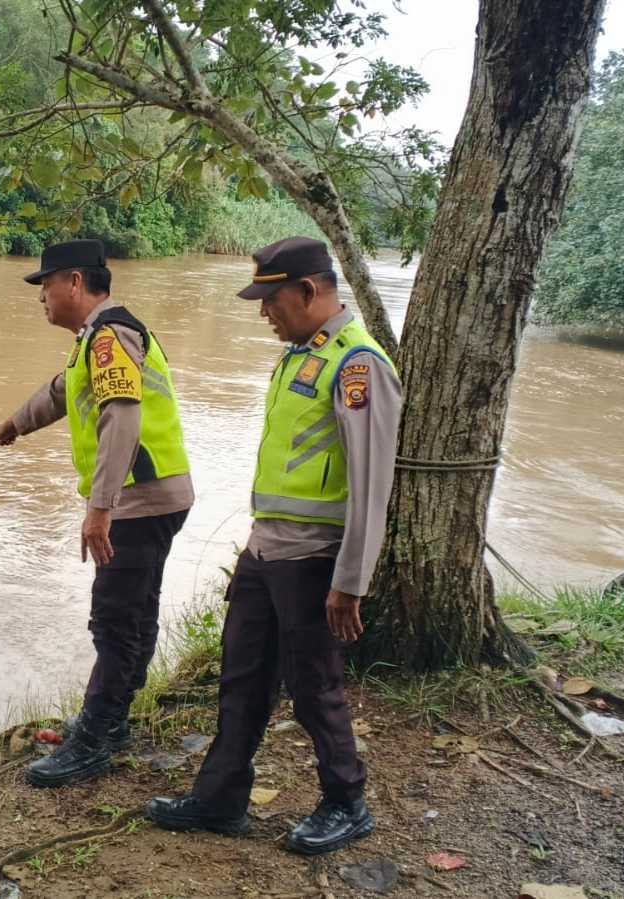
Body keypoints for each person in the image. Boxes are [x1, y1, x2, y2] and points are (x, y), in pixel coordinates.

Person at [144, 236, 402, 855]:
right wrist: (253, 548)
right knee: (242, 676)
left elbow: (372, 486)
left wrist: (350, 582)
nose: (263, 312)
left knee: (314, 687)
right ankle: (220, 797)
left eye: (270, 299)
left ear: (308, 291)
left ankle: (346, 802)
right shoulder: (298, 357)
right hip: (266, 552)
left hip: (314, 560)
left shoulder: (358, 365)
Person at [0, 239, 194, 788]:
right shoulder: (95, 339)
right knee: (135, 612)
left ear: (75, 282)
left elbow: (121, 416)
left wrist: (101, 508)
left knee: (115, 620)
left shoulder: (110, 337)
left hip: (138, 500)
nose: (42, 297)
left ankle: (94, 740)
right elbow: (63, 392)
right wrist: (16, 423)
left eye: (46, 285)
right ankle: (113, 721)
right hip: (154, 495)